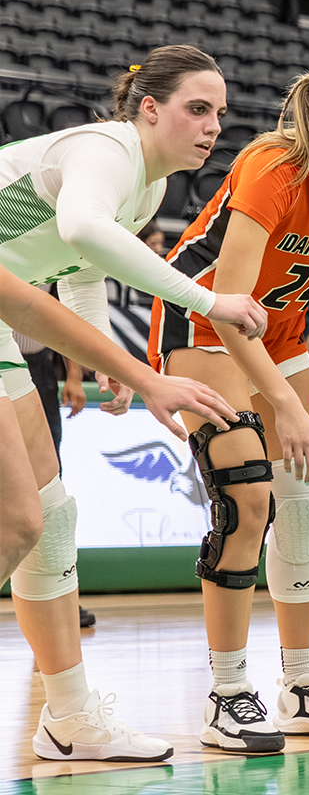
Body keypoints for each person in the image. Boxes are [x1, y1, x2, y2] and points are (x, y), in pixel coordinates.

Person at [0, 47, 266, 763]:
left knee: (47, 520)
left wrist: (103, 360)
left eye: (221, 114)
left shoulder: (147, 189)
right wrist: (206, 303)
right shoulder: (107, 149)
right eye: (197, 109)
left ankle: (69, 717)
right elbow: (86, 230)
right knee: (19, 519)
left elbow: (78, 270)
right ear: (148, 109)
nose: (213, 127)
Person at [152, 53, 309, 753]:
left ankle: (302, 685)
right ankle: (228, 693)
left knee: (302, 493)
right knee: (245, 495)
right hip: (205, 317)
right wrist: (285, 404)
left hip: (283, 327)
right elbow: (229, 304)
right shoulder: (275, 167)